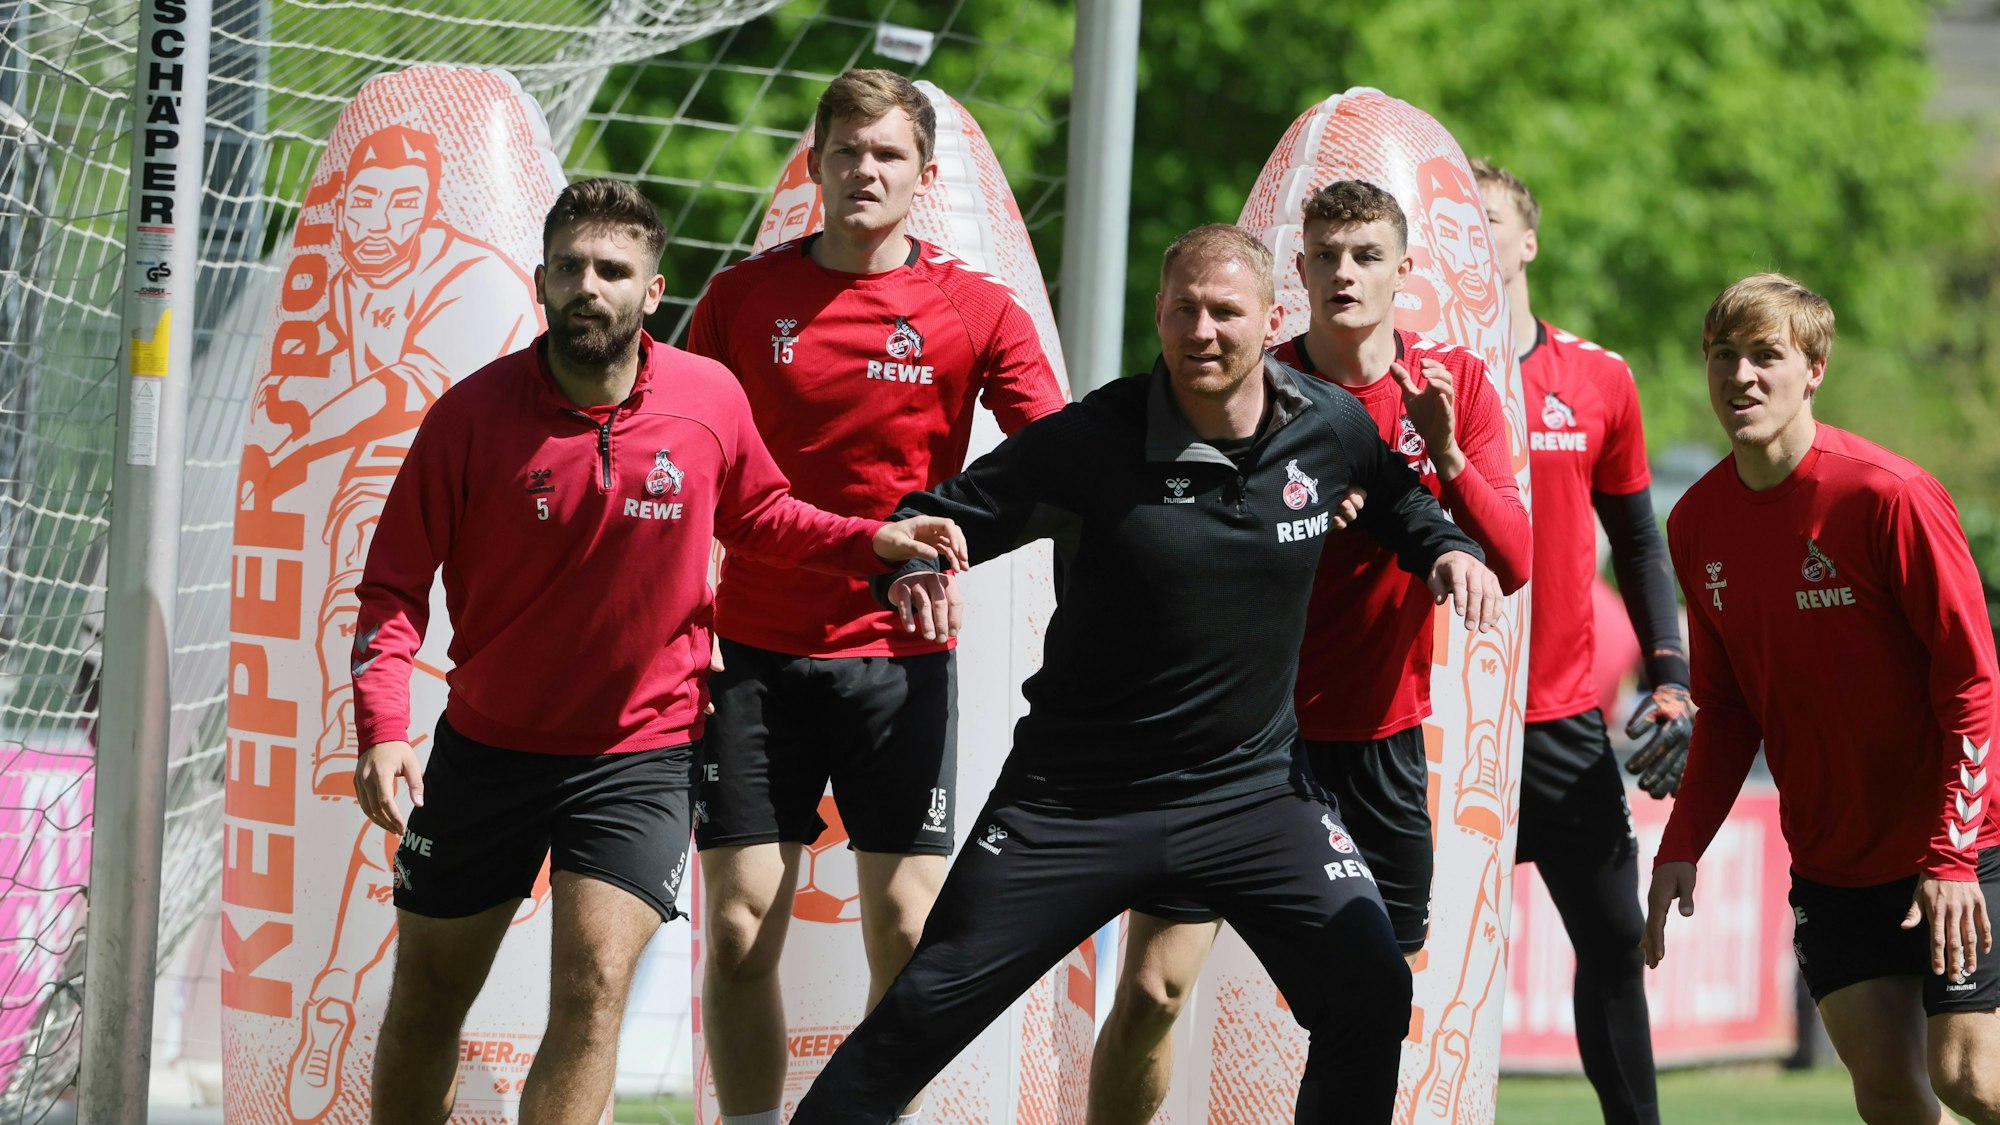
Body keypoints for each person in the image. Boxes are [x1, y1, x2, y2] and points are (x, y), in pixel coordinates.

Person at [790, 223, 1504, 1125]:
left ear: (1271, 318)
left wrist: (1446, 550)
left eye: (1225, 312)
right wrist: (916, 564)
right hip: (1072, 801)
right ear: (1158, 317)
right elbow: (943, 514)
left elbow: (1399, 497)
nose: (1202, 331)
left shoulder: (1329, 425)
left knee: (1370, 990)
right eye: (1183, 311)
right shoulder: (1093, 438)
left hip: (1251, 798)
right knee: (920, 1014)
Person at [346, 178, 965, 1125]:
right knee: (428, 995)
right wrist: (385, 728)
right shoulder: (469, 417)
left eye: (611, 269)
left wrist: (869, 541)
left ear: (654, 289)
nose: (587, 286)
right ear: (541, 281)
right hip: (487, 750)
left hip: (639, 756)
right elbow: (392, 587)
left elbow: (762, 513)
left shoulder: (708, 397)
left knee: (594, 984)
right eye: (569, 268)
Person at [1085, 179, 1533, 1125]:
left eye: (1366, 255)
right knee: (1154, 991)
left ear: (1404, 271)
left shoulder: (1450, 390)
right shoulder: (1257, 382)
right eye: (1326, 254)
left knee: (1373, 1002)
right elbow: (1174, 534)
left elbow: (1516, 561)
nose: (1345, 272)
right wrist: (1293, 523)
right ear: (1298, 270)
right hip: (1235, 742)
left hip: (1381, 743)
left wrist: (1447, 461)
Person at [684, 68, 1065, 1125]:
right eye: (845, 151)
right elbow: (682, 453)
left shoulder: (971, 309)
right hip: (753, 655)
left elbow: (1055, 466)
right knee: (734, 927)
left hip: (897, 667)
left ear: (923, 176)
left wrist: (947, 550)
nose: (864, 170)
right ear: (813, 165)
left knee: (903, 929)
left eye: (886, 154)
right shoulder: (741, 298)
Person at [1645, 273, 2000, 1125]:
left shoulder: (1888, 495)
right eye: (1724, 356)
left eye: (1767, 355)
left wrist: (1951, 858)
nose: (1742, 376)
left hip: (1958, 845)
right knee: (1889, 1096)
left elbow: (1973, 681)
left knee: (1970, 1079)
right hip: (1834, 864)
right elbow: (1728, 712)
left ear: (1814, 367)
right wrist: (1680, 843)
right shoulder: (1694, 523)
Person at [1476, 158, 1690, 1125]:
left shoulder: (1596, 376)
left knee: (1612, 946)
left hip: (1561, 724)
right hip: (1441, 730)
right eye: (1456, 223)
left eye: (1491, 222)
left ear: (1528, 240)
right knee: (1398, 958)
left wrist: (1671, 673)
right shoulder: (1411, 372)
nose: (1474, 240)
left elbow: (1640, 539)